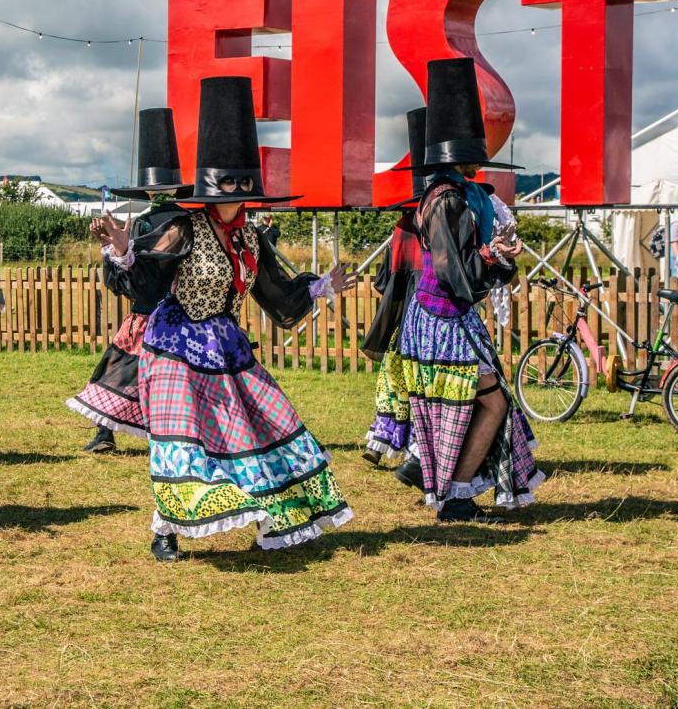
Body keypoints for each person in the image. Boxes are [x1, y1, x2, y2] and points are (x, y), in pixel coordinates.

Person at [97, 77, 355, 561]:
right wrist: (122, 250)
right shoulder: (183, 227)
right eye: (227, 184)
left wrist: (320, 287)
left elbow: (275, 290)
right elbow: (148, 285)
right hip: (174, 348)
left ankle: (269, 518)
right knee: (184, 440)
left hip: (227, 347)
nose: (233, 194)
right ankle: (165, 529)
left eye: (241, 185)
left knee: (265, 425)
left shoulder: (251, 237)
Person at [396, 58, 544, 522]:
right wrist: (489, 257)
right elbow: (449, 268)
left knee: (475, 403)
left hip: (450, 317)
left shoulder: (457, 196)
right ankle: (452, 494)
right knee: (487, 401)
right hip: (442, 318)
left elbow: (466, 267)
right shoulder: (444, 200)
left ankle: (447, 487)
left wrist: (497, 254)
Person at [66, 108, 191, 453]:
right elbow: (125, 279)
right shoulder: (154, 223)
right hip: (155, 314)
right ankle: (107, 433)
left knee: (128, 370)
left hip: (163, 314)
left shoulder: (179, 224)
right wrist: (111, 247)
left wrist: (120, 250)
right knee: (126, 369)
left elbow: (140, 276)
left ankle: (113, 434)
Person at [360, 107, 427, 466]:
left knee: (392, 383)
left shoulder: (402, 229)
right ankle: (416, 449)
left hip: (400, 323)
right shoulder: (445, 226)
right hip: (432, 323)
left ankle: (381, 442)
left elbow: (383, 282)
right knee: (422, 387)